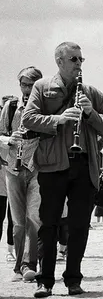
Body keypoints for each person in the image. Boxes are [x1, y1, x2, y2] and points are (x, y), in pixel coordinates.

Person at [21, 43, 103, 298]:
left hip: (84, 164)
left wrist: (90, 112)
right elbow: (28, 118)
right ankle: (45, 279)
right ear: (59, 61)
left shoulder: (92, 92)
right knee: (48, 222)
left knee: (80, 224)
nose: (79, 63)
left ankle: (73, 279)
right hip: (53, 164)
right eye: (74, 58)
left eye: (82, 58)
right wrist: (57, 120)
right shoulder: (42, 87)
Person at [0, 67, 44, 283]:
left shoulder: (43, 106)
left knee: (34, 217)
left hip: (36, 167)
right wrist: (10, 140)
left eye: (31, 85)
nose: (27, 89)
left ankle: (30, 264)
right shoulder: (10, 107)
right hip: (12, 167)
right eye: (24, 84)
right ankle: (18, 266)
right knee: (17, 222)